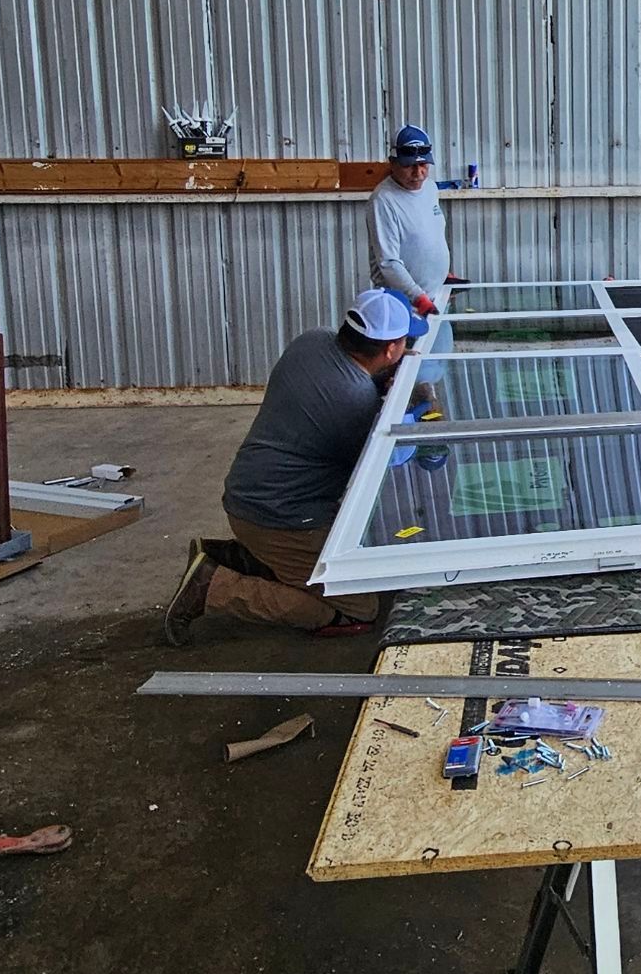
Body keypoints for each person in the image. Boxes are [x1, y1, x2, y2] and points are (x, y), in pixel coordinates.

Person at [164, 288, 416, 640]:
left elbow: (332, 384)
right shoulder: (355, 402)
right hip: (281, 517)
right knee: (358, 609)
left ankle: (229, 555)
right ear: (390, 350)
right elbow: (373, 467)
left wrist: (379, 380)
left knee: (345, 568)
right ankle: (213, 588)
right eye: (405, 342)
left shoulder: (310, 341)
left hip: (248, 493)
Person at [368, 123, 452, 317]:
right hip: (406, 305)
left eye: (423, 165)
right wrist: (417, 297)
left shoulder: (430, 188)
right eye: (409, 166)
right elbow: (388, 261)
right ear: (393, 163)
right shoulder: (383, 200)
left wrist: (441, 274)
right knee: (413, 347)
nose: (418, 173)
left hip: (436, 295)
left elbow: (431, 235)